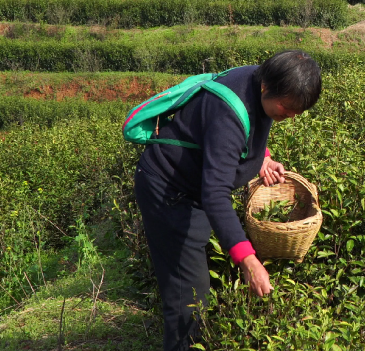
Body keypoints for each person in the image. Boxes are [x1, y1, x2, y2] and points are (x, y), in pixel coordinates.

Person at [134, 50, 323, 351]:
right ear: (266, 87)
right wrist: (248, 260)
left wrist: (262, 159)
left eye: (298, 111)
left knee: (192, 287)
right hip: (170, 193)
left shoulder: (259, 80)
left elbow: (254, 125)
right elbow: (215, 194)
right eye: (287, 108)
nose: (291, 116)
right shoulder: (228, 113)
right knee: (190, 298)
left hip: (193, 187)